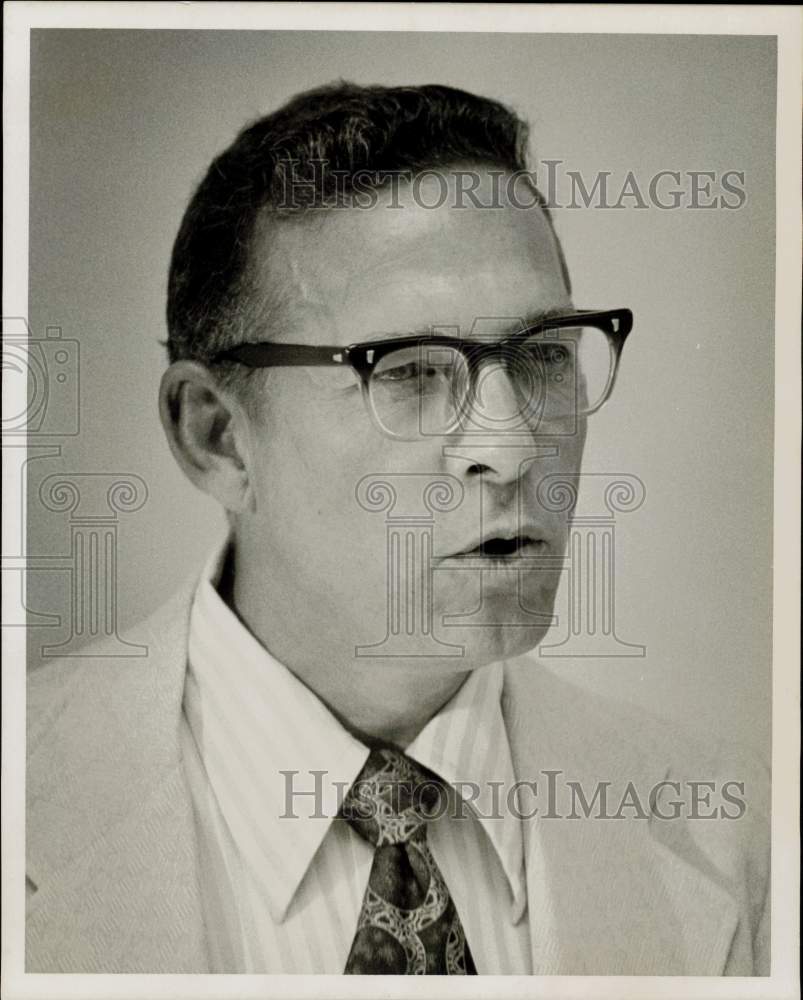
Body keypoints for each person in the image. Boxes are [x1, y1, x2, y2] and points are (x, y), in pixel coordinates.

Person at [26, 82, 769, 975]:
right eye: (411, 371)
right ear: (217, 437)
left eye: (542, 355)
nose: (510, 444)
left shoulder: (739, 833)